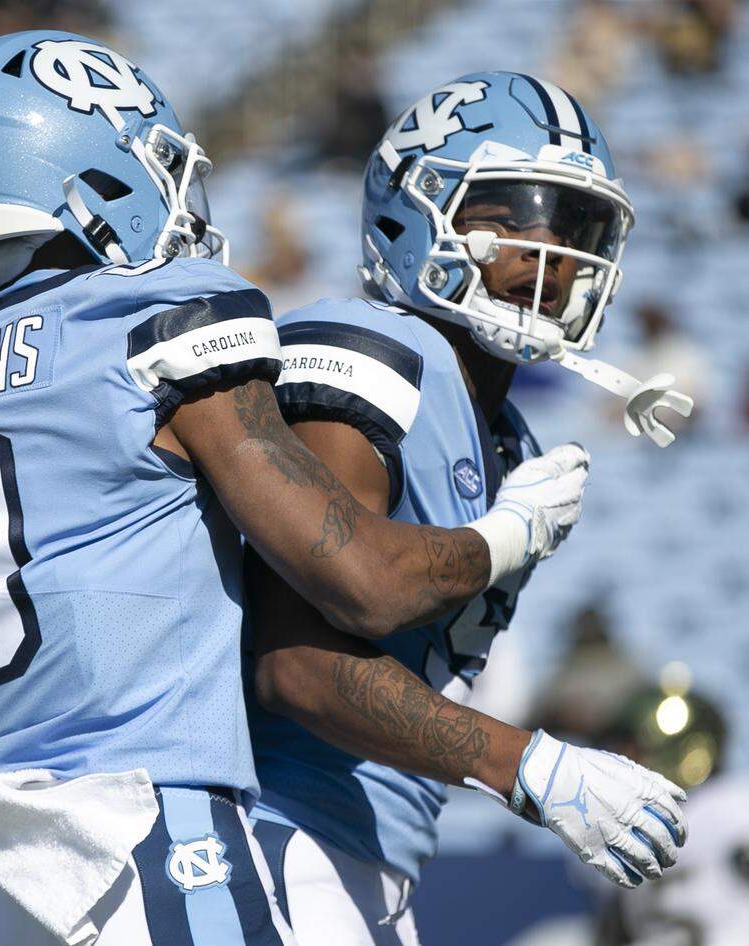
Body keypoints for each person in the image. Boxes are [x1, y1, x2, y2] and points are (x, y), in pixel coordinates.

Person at [0, 34, 592, 946]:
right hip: (138, 827)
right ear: (79, 172)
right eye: (157, 166)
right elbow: (363, 580)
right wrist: (508, 535)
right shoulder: (149, 316)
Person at [246, 73, 692, 946]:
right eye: (508, 217)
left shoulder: (509, 437)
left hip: (365, 846)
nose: (547, 251)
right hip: (275, 823)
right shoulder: (375, 352)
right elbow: (298, 663)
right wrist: (528, 764)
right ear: (411, 216)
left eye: (571, 227)